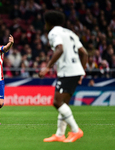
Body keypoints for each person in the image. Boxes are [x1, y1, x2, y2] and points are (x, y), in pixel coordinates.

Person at [39, 11, 88, 142]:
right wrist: (81, 72)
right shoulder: (70, 32)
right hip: (75, 70)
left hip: (67, 71)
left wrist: (47, 67)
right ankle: (60, 134)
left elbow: (59, 49)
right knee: (64, 103)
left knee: (57, 102)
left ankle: (76, 130)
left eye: (45, 22)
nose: (45, 25)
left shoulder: (54, 33)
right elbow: (84, 54)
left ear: (49, 22)